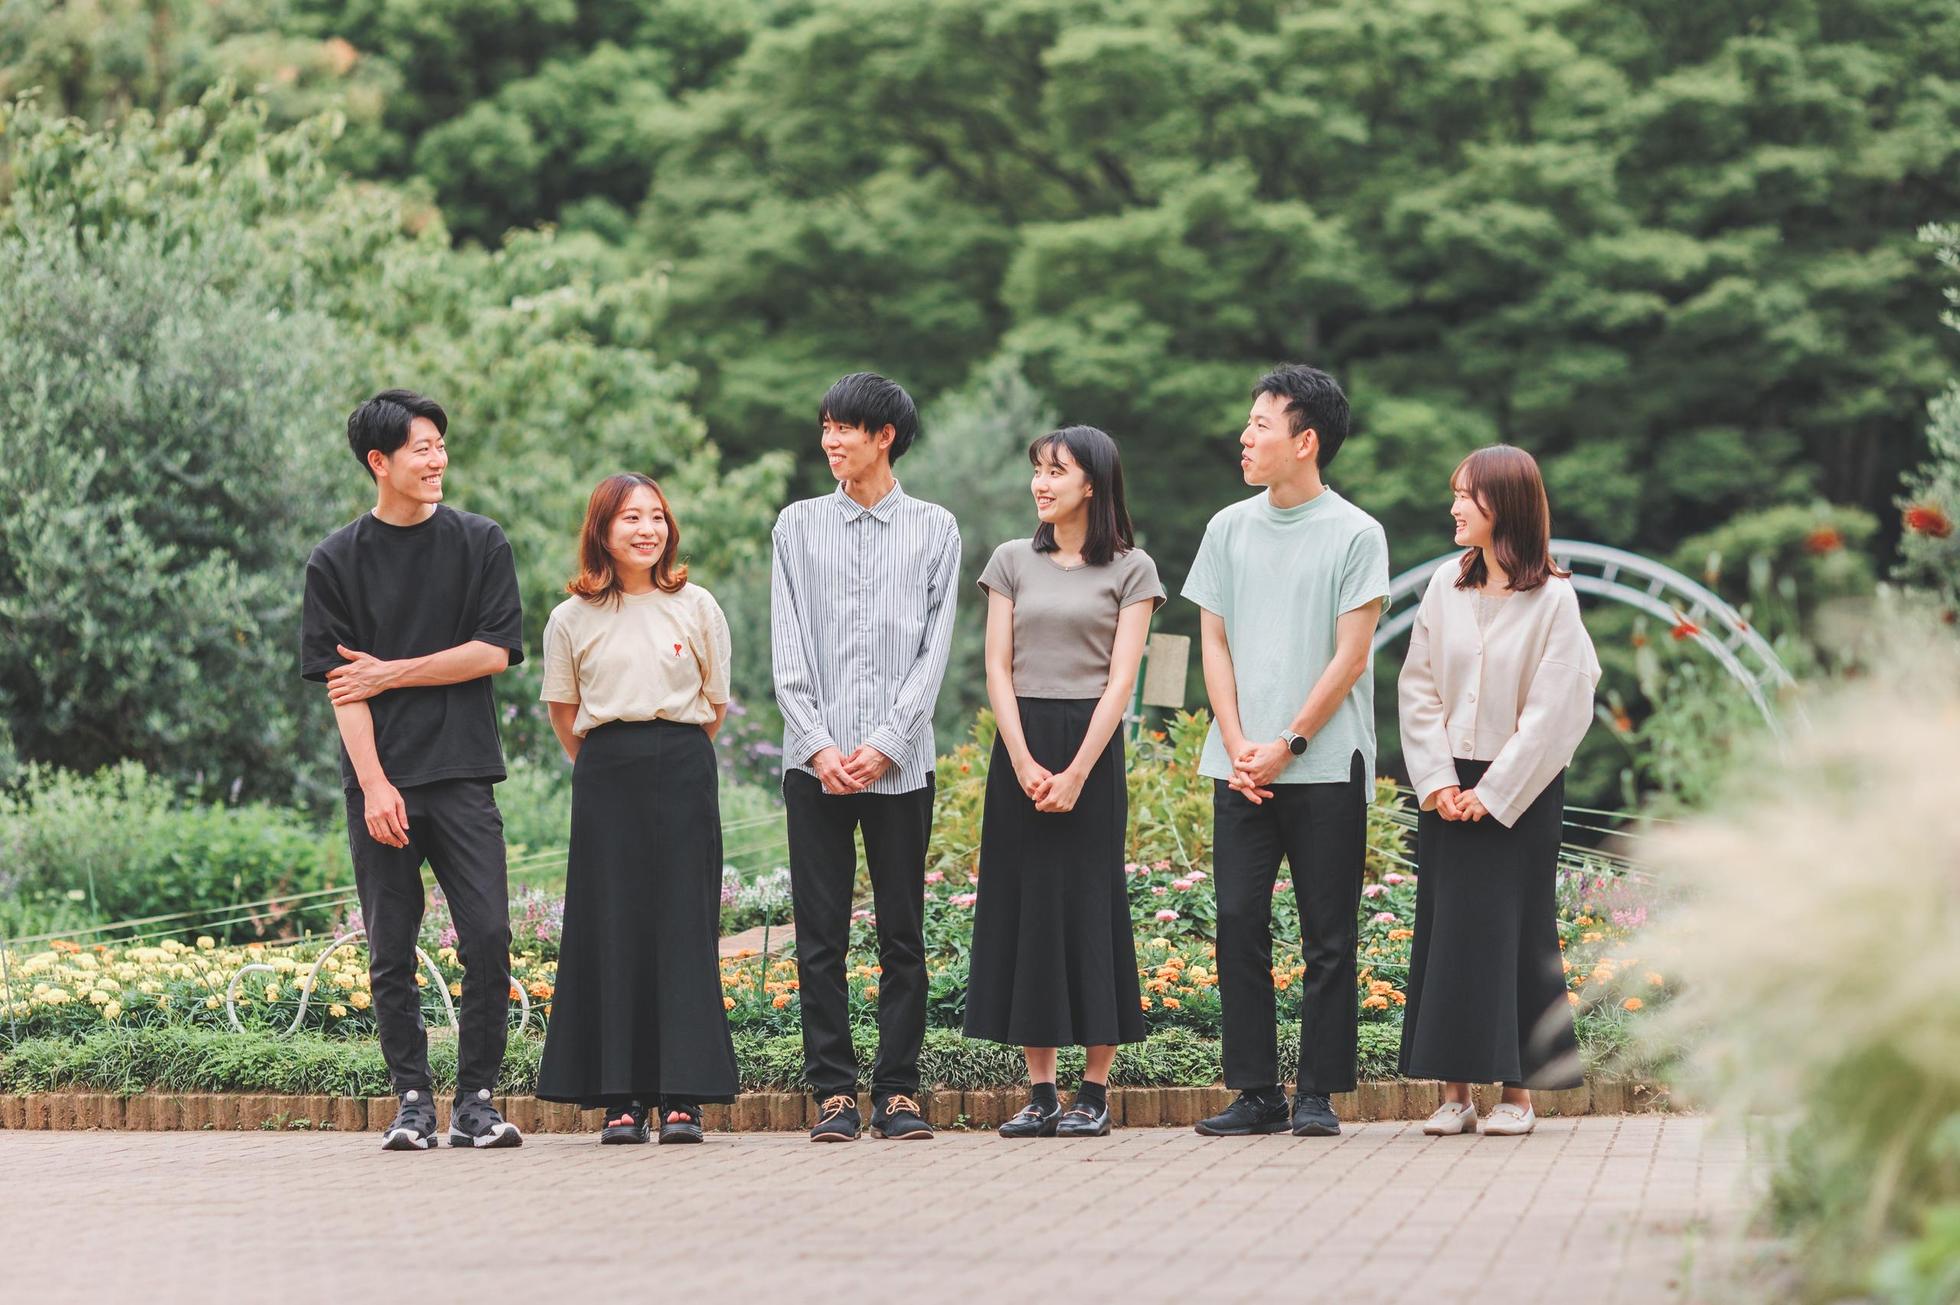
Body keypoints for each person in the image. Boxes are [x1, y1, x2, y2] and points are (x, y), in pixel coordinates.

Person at [300, 390, 525, 1151]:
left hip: (462, 772)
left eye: (440, 446)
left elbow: (491, 652)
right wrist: (373, 784)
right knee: (390, 948)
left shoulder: (480, 541)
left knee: (488, 934)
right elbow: (343, 689)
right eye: (422, 448)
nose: (438, 460)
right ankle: (412, 1103)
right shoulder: (335, 561)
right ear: (380, 461)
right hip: (381, 781)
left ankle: (478, 1103)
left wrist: (390, 672)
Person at [1183, 364, 1390, 1139]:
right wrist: (1240, 742)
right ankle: (1257, 1091)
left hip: (1326, 764)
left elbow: (1351, 656)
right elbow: (1213, 639)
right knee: (1239, 921)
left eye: (1261, 424)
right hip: (1241, 766)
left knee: (1327, 934)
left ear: (1306, 442)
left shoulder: (1357, 533)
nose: (1245, 436)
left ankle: (1317, 1093)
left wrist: (1289, 741)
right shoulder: (1226, 528)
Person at [770, 372, 961, 1142]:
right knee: (819, 937)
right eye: (825, 426)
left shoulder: (936, 528)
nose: (830, 440)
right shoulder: (796, 525)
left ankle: (899, 1091)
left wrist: (886, 744)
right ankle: (833, 1093)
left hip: (902, 768)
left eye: (844, 427)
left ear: (884, 437)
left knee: (901, 935)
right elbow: (787, 646)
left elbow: (933, 652)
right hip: (812, 767)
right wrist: (820, 745)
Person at [964, 426, 1163, 1139]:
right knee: (1029, 911)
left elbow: (1122, 679)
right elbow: (997, 666)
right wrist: (1021, 759)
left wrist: (1078, 770)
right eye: (1038, 471)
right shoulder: (1011, 560)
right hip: (1020, 743)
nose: (1041, 483)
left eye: (1056, 470)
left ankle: (1094, 1092)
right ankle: (1041, 1092)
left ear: (1092, 483)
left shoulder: (1133, 569)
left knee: (1091, 907)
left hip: (1092, 748)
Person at [1397, 445, 1600, 1137]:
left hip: (1524, 791)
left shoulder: (1555, 599)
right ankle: (1454, 1095)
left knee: (1518, 932)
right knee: (1448, 933)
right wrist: (1438, 782)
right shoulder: (1442, 586)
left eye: (1466, 495)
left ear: (1503, 504)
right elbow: (1417, 686)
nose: (1454, 507)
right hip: (1447, 785)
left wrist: (1496, 791)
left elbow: (1559, 707)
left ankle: (1519, 1096)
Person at [534, 474, 741, 1145]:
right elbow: (564, 712)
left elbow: (715, 704)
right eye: (631, 517)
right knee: (612, 927)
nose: (647, 529)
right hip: (605, 776)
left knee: (683, 924)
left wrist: (665, 750)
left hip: (683, 766)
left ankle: (683, 1096)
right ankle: (619, 1097)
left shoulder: (698, 605)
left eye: (657, 516)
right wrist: (614, 758)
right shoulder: (570, 618)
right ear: (602, 529)